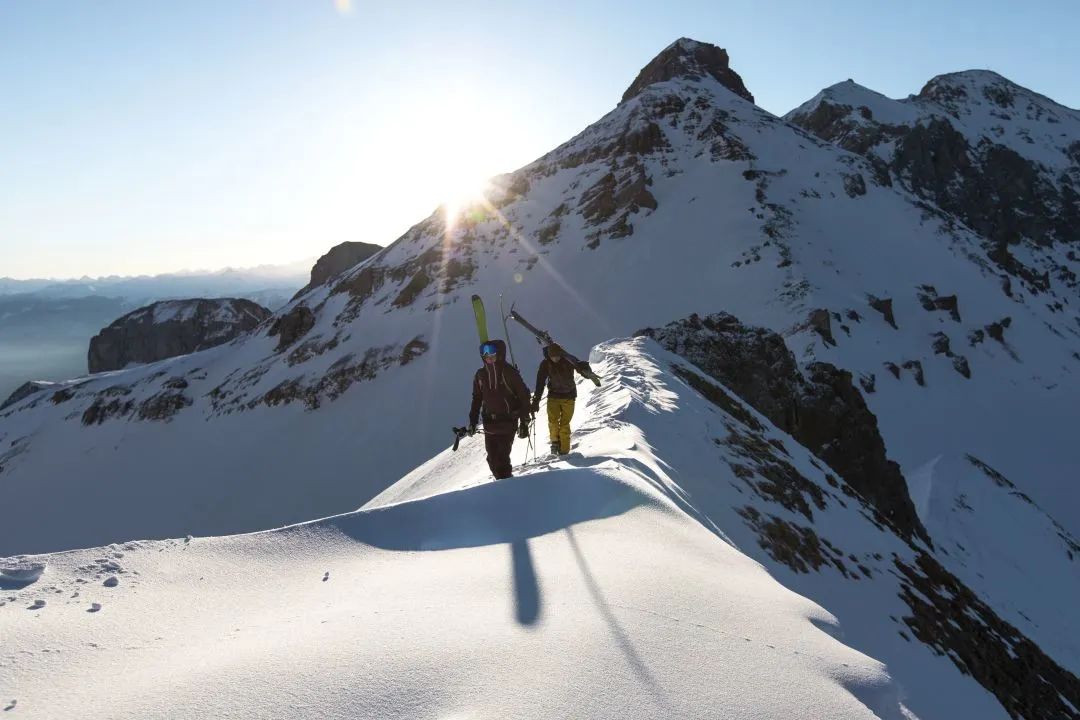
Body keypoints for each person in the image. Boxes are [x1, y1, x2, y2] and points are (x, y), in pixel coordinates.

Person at [468, 339, 532, 479]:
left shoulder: (509, 373)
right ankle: (503, 486)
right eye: (485, 355)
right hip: (490, 423)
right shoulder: (480, 375)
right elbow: (477, 399)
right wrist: (472, 422)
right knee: (492, 459)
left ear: (500, 354)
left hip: (508, 422)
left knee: (501, 460)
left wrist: (524, 421)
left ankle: (506, 489)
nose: (488, 357)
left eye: (492, 354)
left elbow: (524, 396)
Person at [531, 343, 593, 456]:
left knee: (564, 424)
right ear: (548, 355)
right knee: (553, 422)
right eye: (553, 356)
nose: (555, 358)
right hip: (553, 397)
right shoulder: (545, 364)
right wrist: (536, 400)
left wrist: (586, 371)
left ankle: (564, 451)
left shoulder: (568, 360)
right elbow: (540, 382)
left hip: (569, 397)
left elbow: (579, 367)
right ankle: (555, 442)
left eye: (557, 356)